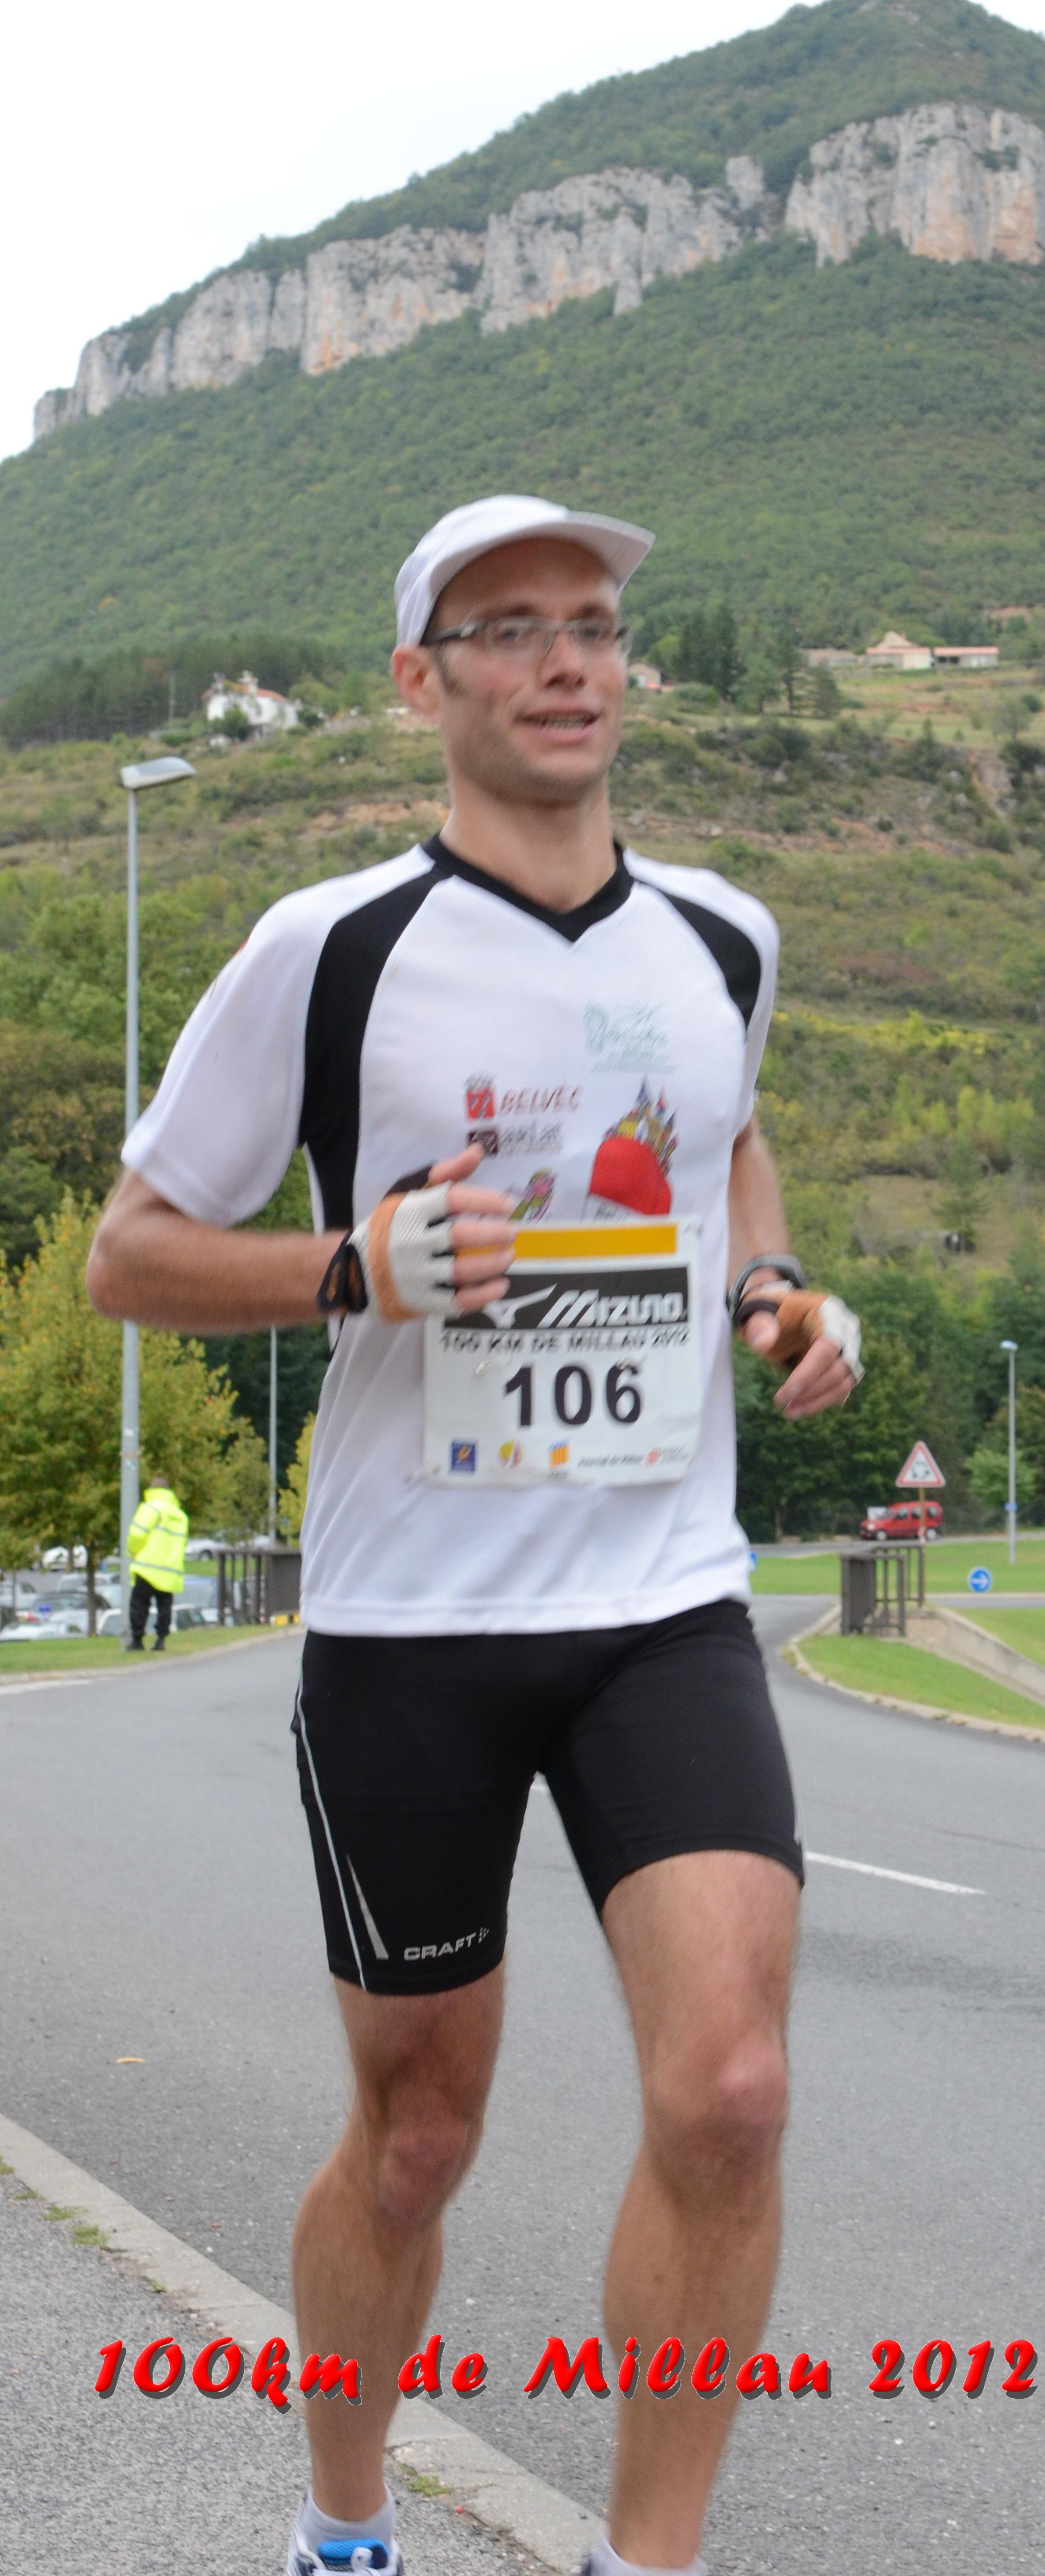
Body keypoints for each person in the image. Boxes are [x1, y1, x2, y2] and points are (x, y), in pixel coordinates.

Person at [87, 494, 863, 2576]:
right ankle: (345, 2522)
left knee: (733, 2088)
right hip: (410, 1623)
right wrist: (355, 1262)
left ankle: (646, 2559)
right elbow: (128, 1257)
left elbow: (727, 1132)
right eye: (507, 628)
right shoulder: (328, 948)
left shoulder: (723, 936)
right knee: (419, 2131)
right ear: (420, 680)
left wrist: (775, 1285)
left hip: (662, 1601)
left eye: (591, 621)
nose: (564, 659)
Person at [126, 1474, 188, 1651]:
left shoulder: (151, 1507)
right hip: (169, 1570)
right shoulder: (180, 1516)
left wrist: (133, 1552)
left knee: (139, 1604)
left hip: (147, 1566)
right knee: (165, 1607)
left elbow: (137, 1534)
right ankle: (161, 1641)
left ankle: (137, 1641)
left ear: (152, 1490)